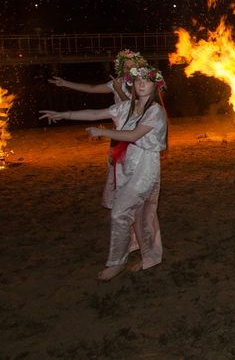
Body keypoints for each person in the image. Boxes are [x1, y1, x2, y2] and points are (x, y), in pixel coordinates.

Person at [40, 65, 168, 281]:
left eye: (147, 80)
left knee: (119, 213)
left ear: (155, 85)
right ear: (133, 85)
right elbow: (96, 113)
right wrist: (64, 114)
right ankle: (150, 257)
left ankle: (117, 263)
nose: (141, 83)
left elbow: (133, 135)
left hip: (145, 169)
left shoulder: (156, 111)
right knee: (139, 216)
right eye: (138, 80)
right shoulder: (127, 106)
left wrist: (103, 131)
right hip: (126, 167)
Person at [48, 49, 149, 209]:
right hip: (118, 131)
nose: (129, 69)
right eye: (126, 66)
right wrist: (66, 83)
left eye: (132, 66)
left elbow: (133, 110)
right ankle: (118, 202)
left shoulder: (142, 84)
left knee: (135, 168)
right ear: (120, 68)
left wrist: (119, 90)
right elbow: (92, 87)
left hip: (136, 132)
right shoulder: (117, 82)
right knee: (116, 167)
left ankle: (134, 201)